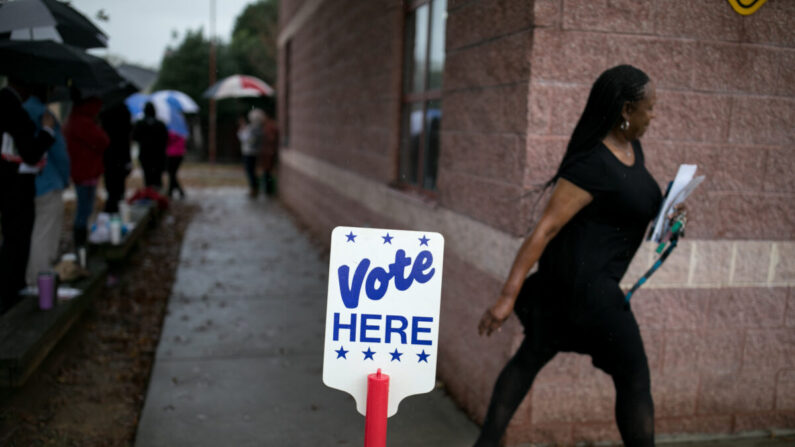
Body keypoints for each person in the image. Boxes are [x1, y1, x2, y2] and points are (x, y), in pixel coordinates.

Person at [474, 65, 676, 447]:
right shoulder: (591, 165)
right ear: (627, 111)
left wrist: (669, 209)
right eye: (650, 108)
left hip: (572, 288)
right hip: (588, 292)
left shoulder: (632, 149)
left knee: (531, 356)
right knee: (634, 379)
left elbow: (626, 207)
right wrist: (507, 296)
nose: (654, 115)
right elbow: (546, 229)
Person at [0, 78, 55, 310]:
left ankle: (10, 290)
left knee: (12, 237)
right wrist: (47, 130)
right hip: (15, 187)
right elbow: (31, 152)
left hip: (8, 183)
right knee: (17, 238)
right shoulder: (11, 106)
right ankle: (10, 293)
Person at [24, 84, 70, 287]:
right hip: (48, 181)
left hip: (23, 184)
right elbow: (59, 153)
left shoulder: (20, 110)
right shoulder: (45, 115)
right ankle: (39, 281)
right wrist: (65, 177)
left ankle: (30, 278)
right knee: (44, 235)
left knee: (30, 232)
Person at [64, 96, 110, 249]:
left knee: (86, 207)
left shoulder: (74, 120)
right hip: (85, 171)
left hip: (84, 171)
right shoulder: (83, 122)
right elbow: (103, 140)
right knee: (84, 208)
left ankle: (81, 240)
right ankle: (80, 243)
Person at [100, 102, 133, 213]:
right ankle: (115, 207)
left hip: (109, 154)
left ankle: (112, 206)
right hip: (119, 154)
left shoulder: (105, 112)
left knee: (111, 185)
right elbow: (126, 137)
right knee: (118, 185)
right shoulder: (124, 113)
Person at [132, 102, 168, 189]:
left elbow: (135, 137)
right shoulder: (160, 124)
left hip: (145, 153)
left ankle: (150, 192)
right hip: (158, 154)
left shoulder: (140, 124)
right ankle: (156, 192)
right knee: (157, 176)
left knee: (147, 175)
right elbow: (165, 139)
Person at [237, 109, 265, 198]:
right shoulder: (258, 128)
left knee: (250, 171)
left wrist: (242, 129)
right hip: (254, 152)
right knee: (252, 171)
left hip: (249, 152)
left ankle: (254, 189)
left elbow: (246, 139)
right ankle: (255, 188)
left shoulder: (253, 128)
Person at [261, 110, 279, 196]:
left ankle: (269, 190)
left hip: (269, 152)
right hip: (267, 153)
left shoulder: (270, 125)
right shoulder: (267, 125)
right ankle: (267, 189)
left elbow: (272, 138)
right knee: (266, 171)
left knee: (268, 172)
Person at [165, 130, 187, 199]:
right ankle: (172, 191)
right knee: (172, 174)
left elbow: (167, 142)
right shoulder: (181, 133)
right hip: (179, 154)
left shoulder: (171, 134)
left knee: (171, 173)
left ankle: (174, 191)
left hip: (172, 154)